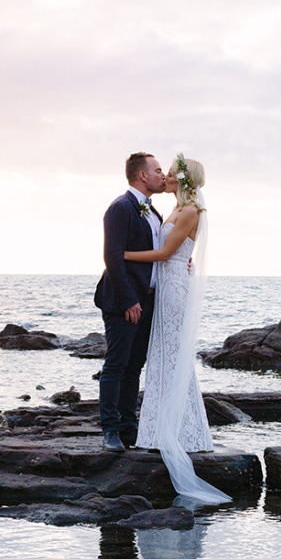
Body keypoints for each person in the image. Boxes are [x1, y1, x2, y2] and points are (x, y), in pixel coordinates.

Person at [124, 154, 232, 504]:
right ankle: (159, 428)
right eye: (164, 173)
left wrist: (123, 255)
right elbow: (173, 251)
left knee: (173, 355)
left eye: (171, 174)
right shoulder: (172, 210)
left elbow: (166, 252)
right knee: (163, 355)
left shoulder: (189, 212)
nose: (165, 178)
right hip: (167, 285)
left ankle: (182, 432)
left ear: (184, 182)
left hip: (173, 291)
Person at [94, 152, 166, 451]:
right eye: (158, 170)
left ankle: (128, 427)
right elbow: (112, 256)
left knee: (135, 366)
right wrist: (129, 301)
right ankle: (110, 430)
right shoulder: (120, 208)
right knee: (116, 365)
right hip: (123, 301)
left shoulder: (153, 212)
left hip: (147, 301)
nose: (163, 175)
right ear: (142, 176)